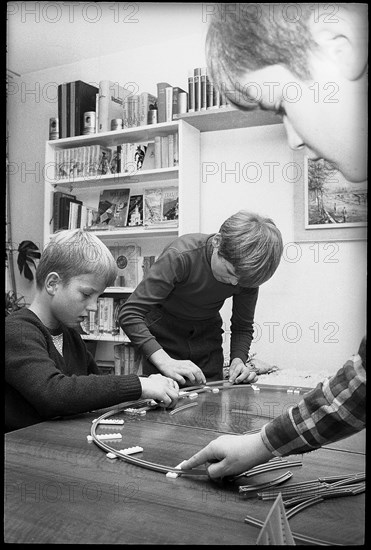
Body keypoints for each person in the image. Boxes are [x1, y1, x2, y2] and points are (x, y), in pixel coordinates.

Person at [180, 3, 367, 478]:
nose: (293, 139)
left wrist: (240, 362)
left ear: (337, 45)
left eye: (283, 104)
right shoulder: (184, 256)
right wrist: (263, 443)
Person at [5, 229, 179, 432]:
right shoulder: (17, 331)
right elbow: (53, 393)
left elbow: (98, 390)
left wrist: (147, 393)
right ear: (53, 283)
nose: (94, 307)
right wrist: (139, 385)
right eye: (86, 294)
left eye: (97, 297)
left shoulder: (70, 334)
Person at [119, 210, 283, 386]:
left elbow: (242, 326)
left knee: (211, 403)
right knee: (164, 403)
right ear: (217, 242)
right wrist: (164, 361)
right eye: (229, 272)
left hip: (207, 339)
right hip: (163, 336)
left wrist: (238, 361)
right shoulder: (180, 255)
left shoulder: (245, 276)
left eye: (242, 281)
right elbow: (129, 313)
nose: (235, 283)